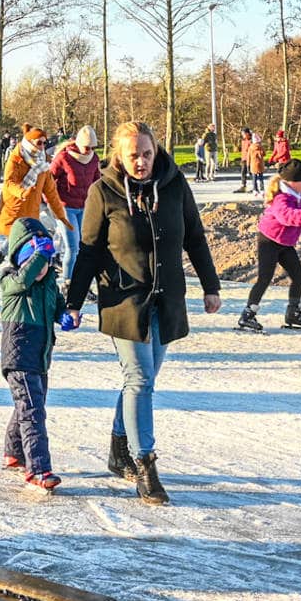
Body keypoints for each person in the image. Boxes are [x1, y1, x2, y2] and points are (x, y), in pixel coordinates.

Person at [64, 121, 221, 506]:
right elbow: (88, 251)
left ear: (156, 151)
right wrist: (74, 300)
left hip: (166, 299)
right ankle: (145, 464)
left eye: (147, 154)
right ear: (119, 155)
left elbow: (195, 237)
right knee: (139, 379)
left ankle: (119, 447)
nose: (141, 162)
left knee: (144, 379)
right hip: (123, 300)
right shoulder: (103, 192)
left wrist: (210, 285)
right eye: (133, 155)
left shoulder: (174, 185)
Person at [0, 216, 65, 493]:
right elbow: (25, 278)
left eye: (45, 262)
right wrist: (40, 254)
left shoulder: (49, 284)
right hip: (19, 355)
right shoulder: (11, 281)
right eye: (33, 260)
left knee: (28, 406)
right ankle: (38, 468)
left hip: (40, 355)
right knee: (33, 410)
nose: (39, 268)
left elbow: (59, 306)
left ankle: (14, 452)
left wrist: (66, 317)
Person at [236, 159, 301, 332]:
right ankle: (247, 314)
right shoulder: (281, 198)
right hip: (268, 240)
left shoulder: (298, 197)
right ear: (292, 183)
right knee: (264, 278)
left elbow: (300, 216)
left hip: (285, 243)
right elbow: (287, 216)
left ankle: (293, 313)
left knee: (298, 276)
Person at [0, 128, 66, 271]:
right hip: (22, 200)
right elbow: (9, 182)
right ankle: (5, 255)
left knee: (58, 226)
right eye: (39, 143)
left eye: (44, 143)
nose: (42, 146)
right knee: (19, 231)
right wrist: (22, 192)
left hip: (40, 199)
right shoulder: (17, 158)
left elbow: (50, 183)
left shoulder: (45, 158)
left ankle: (55, 256)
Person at [50, 126, 100, 279]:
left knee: (84, 247)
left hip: (84, 207)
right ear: (78, 143)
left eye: (92, 147)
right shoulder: (64, 157)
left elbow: (97, 182)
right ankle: (68, 282)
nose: (89, 150)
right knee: (73, 248)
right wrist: (52, 202)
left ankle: (79, 281)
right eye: (86, 147)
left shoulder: (94, 158)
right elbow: (48, 180)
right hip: (65, 207)